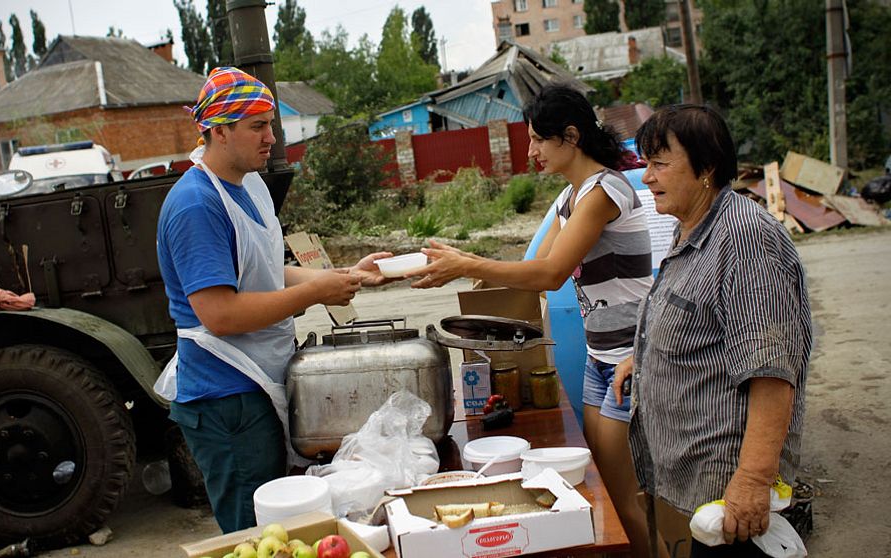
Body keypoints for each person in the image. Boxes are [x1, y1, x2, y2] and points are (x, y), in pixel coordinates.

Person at [410, 83, 659, 558]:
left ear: (570, 136)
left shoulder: (606, 189)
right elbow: (532, 276)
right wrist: (458, 271)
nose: (531, 152)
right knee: (605, 490)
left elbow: (551, 272)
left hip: (630, 359)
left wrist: (466, 263)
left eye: (538, 140)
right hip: (600, 359)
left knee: (624, 500)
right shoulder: (573, 197)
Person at [155, 67, 391, 533]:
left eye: (272, 124)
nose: (272, 138)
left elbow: (263, 269)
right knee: (254, 531)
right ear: (218, 130)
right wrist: (314, 292)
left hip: (257, 382)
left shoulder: (250, 186)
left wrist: (343, 276)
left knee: (285, 527)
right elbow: (219, 314)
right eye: (258, 126)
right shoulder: (197, 205)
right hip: (226, 397)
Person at [613, 104, 811, 557]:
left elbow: (772, 371)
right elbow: (701, 324)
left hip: (732, 497)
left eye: (660, 164)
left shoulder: (744, 236)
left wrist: (753, 481)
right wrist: (644, 360)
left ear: (706, 168)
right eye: (647, 164)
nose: (647, 178)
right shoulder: (691, 227)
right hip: (704, 492)